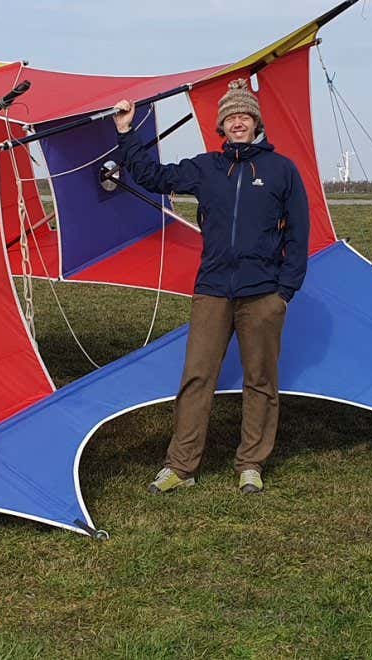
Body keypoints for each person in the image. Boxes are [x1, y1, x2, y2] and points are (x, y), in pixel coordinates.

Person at [113, 79, 309, 495]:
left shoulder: (281, 171)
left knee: (260, 380)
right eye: (231, 117)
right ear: (222, 125)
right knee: (197, 376)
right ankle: (180, 467)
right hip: (213, 290)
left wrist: (284, 292)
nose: (238, 122)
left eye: (244, 115)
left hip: (263, 294)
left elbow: (298, 235)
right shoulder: (206, 169)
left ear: (256, 122)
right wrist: (126, 133)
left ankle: (251, 464)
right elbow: (153, 175)